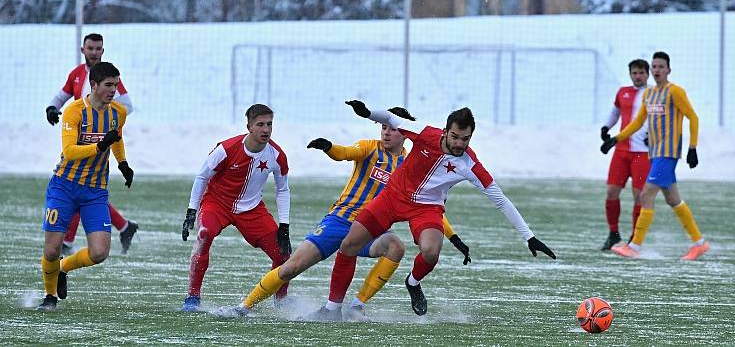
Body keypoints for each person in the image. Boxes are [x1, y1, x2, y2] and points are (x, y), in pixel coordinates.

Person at [214, 107, 472, 320]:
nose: (387, 133)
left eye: (393, 129)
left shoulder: (411, 165)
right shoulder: (369, 148)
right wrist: (329, 147)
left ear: (405, 134)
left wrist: (453, 237)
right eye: (384, 128)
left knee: (395, 246)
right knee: (292, 266)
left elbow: (428, 208)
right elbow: (347, 153)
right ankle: (243, 307)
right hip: (341, 220)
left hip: (371, 229)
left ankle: (357, 306)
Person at [327, 101, 555, 316]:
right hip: (392, 197)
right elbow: (391, 118)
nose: (459, 144)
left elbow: (501, 200)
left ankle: (413, 282)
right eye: (455, 137)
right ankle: (332, 308)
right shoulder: (426, 134)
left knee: (431, 251)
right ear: (445, 131)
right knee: (349, 244)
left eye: (465, 139)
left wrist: (529, 237)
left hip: (426, 209)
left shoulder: (470, 164)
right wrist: (367, 113)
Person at [37, 62, 134, 311]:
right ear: (94, 85)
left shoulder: (118, 113)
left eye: (115, 84)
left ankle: (62, 268)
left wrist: (123, 163)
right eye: (108, 85)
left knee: (99, 252)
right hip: (64, 187)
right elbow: (69, 152)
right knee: (51, 249)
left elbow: (116, 139)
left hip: (95, 192)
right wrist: (101, 146)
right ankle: (50, 297)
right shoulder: (74, 112)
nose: (114, 90)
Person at [179, 104, 292, 312]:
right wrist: (191, 211)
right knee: (205, 234)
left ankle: (281, 298)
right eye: (260, 124)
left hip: (252, 210)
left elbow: (282, 190)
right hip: (217, 203)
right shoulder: (226, 148)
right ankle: (192, 297)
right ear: (248, 126)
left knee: (283, 255)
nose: (265, 129)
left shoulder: (277, 155)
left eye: (269, 124)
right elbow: (202, 176)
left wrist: (284, 226)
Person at [601, 51, 710, 260]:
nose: (657, 70)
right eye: (655, 67)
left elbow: (693, 117)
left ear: (669, 69)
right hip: (655, 152)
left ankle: (634, 246)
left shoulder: (675, 91)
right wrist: (616, 139)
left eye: (661, 66)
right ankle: (699, 243)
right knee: (673, 199)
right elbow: (638, 122)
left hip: (668, 153)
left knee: (646, 194)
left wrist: (693, 147)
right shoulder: (649, 95)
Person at [46, 33, 138, 255]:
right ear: (83, 50)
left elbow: (126, 106)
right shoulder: (77, 75)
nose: (94, 52)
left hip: (99, 145)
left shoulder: (110, 78)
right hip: (78, 139)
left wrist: (106, 118)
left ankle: (69, 242)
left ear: (103, 51)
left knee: (86, 190)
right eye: (91, 48)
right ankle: (123, 226)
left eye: (98, 49)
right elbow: (62, 95)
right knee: (77, 186)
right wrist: (51, 107)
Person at [599, 59, 651, 250]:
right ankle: (613, 234)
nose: (638, 76)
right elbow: (614, 113)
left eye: (641, 73)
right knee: (612, 191)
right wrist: (606, 127)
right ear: (630, 74)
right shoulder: (623, 92)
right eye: (634, 73)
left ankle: (634, 239)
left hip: (642, 154)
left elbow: (662, 119)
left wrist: (654, 136)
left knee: (639, 196)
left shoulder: (654, 94)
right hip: (621, 152)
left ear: (648, 74)